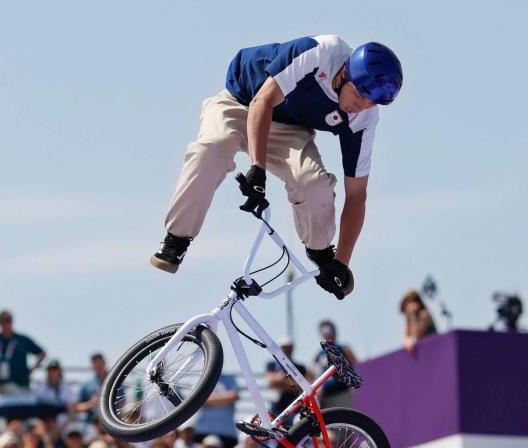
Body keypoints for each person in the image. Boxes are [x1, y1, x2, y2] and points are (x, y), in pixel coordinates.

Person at [151, 36, 403, 299]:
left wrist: (341, 262)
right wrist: (257, 169)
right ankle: (176, 238)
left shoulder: (364, 118)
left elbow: (357, 195)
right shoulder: (320, 53)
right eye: (360, 95)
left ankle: (319, 251)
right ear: (344, 73)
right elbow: (263, 101)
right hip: (242, 102)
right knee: (212, 150)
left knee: (314, 184)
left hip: (288, 129)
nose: (362, 106)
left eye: (372, 103)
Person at [0, 310, 45, 393]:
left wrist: (32, 369)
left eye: (8, 320)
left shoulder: (22, 339)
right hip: (3, 385)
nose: (6, 324)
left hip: (23, 384)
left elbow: (42, 353)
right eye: (3, 321)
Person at [312, 321, 358, 410]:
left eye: (329, 329)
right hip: (325, 396)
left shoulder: (343, 348)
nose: (327, 332)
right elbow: (313, 371)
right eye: (323, 330)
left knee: (344, 418)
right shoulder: (319, 353)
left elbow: (355, 366)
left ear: (335, 331)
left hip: (341, 393)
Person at [191, 375, 239, 448]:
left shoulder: (230, 379)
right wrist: (225, 399)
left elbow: (233, 397)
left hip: (227, 435)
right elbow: (198, 400)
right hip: (203, 432)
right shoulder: (198, 379)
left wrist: (209, 399)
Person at [264, 337, 309, 418]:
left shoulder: (300, 367)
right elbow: (271, 381)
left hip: (294, 406)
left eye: (288, 347)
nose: (286, 350)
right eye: (284, 347)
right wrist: (291, 383)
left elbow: (302, 386)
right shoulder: (271, 364)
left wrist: (280, 382)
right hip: (276, 406)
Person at [75, 353, 108, 422]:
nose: (98, 366)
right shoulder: (86, 385)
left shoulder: (116, 382)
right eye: (96, 364)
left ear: (104, 363)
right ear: (92, 366)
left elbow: (123, 404)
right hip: (92, 423)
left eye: (100, 363)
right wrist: (91, 403)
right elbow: (77, 407)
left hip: (112, 421)